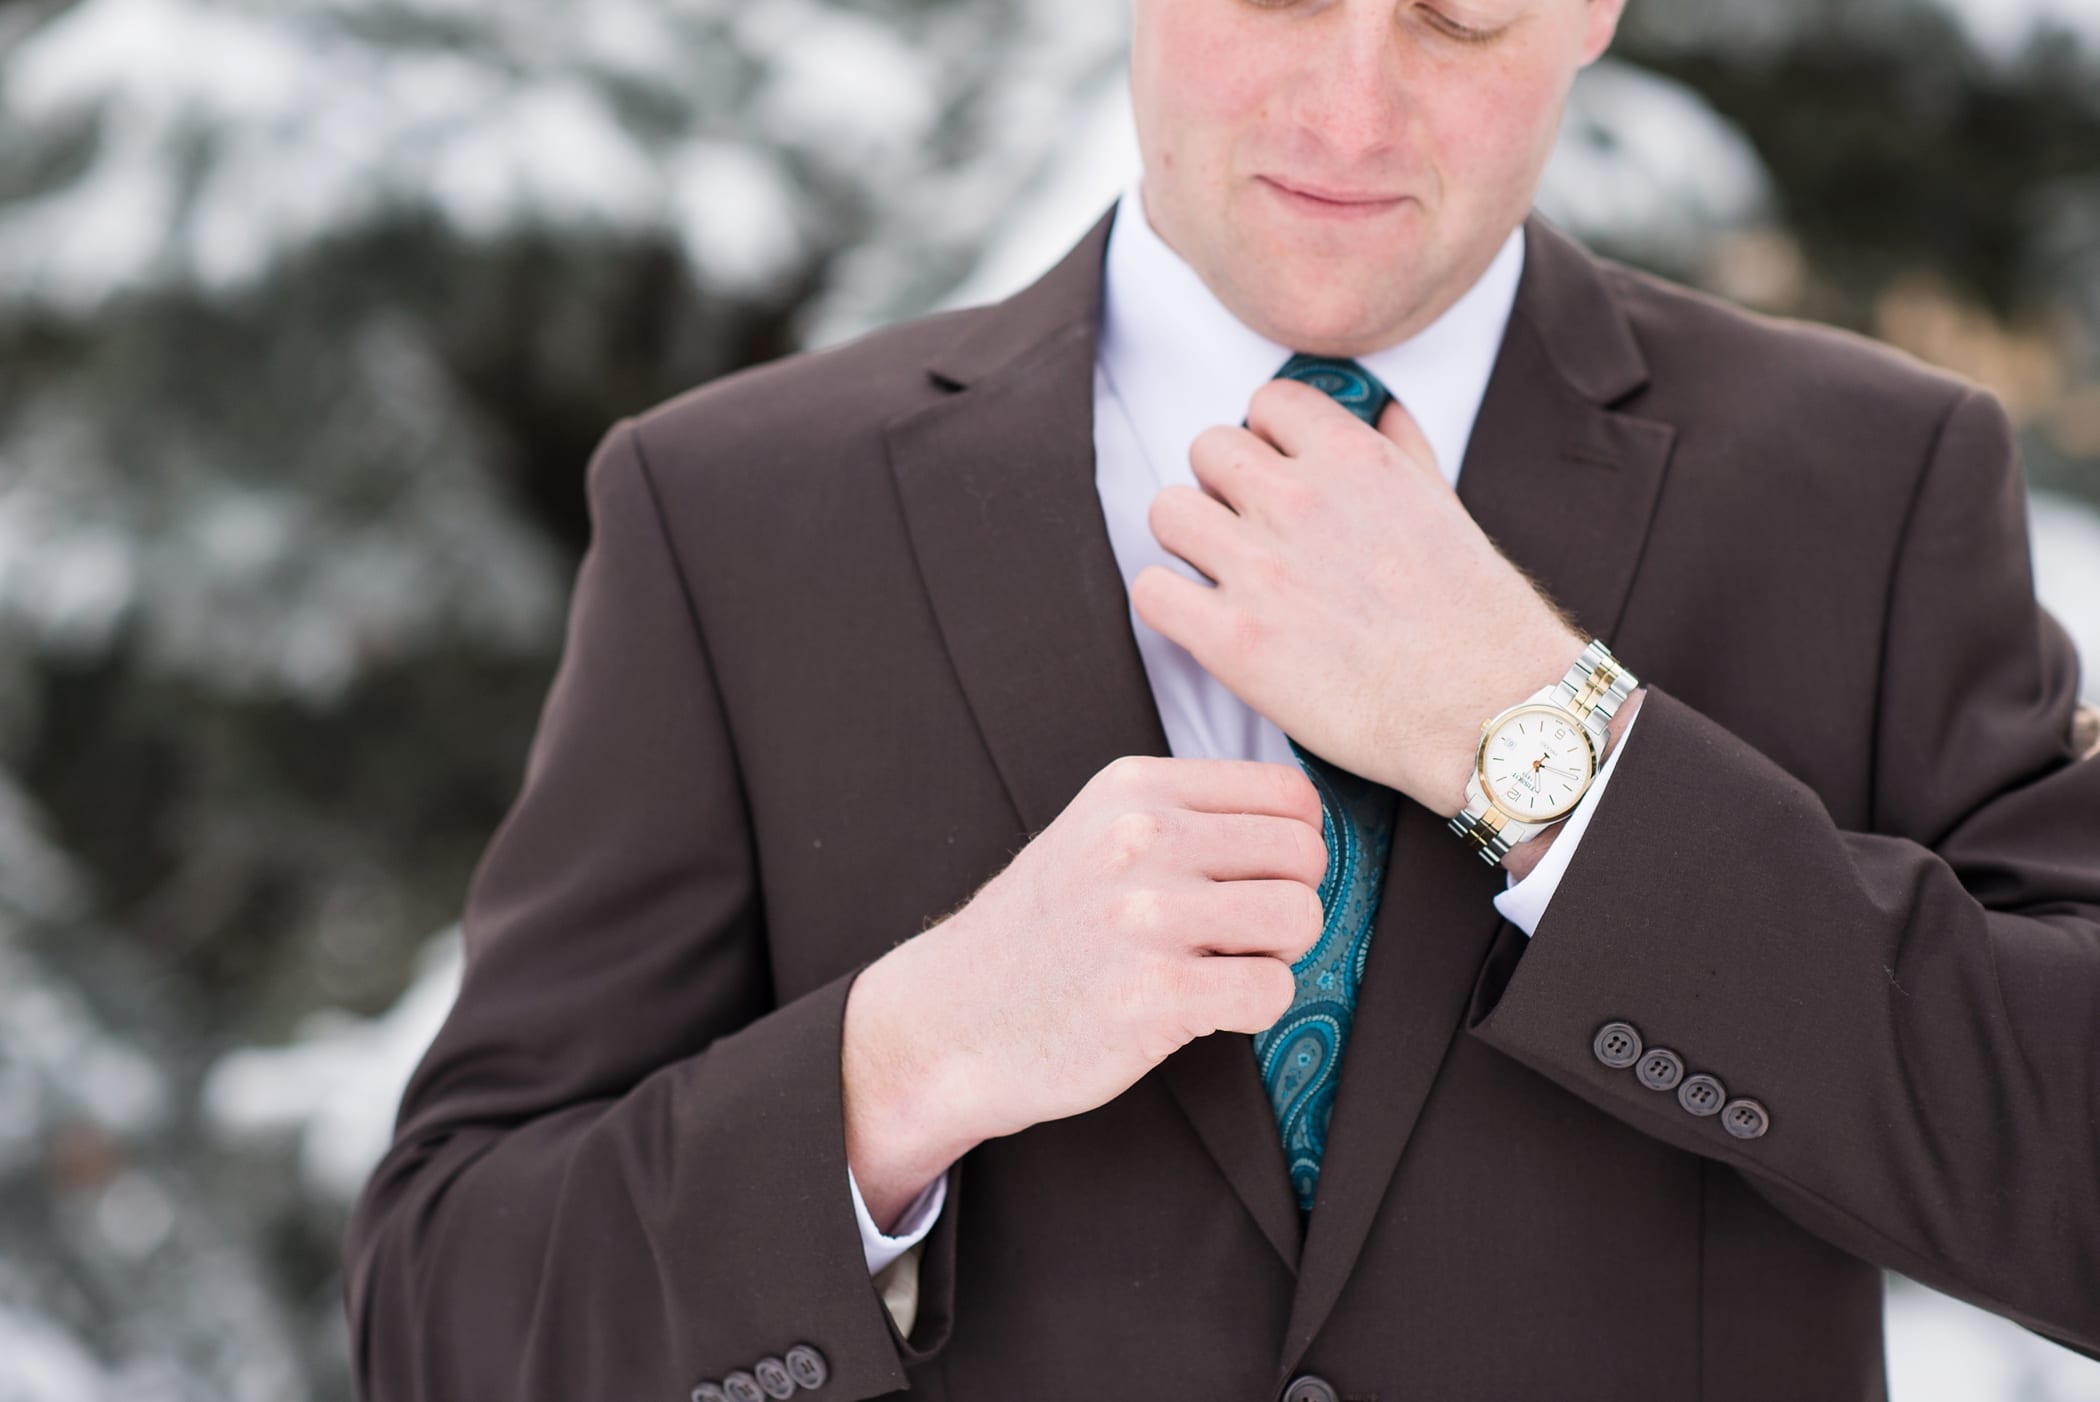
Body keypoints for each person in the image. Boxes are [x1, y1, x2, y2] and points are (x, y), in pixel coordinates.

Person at [342, 0, 2100, 1398]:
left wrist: (1542, 743)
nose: (1353, 107)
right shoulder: (733, 513)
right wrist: (907, 1061)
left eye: (1458, 15)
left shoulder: (1873, 490)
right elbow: (450, 1318)